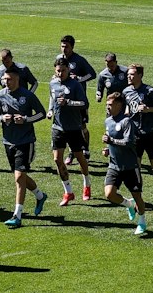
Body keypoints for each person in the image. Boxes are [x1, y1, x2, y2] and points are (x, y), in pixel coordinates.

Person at [0, 66, 49, 227]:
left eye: (9, 79)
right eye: (4, 79)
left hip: (25, 141)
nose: (6, 82)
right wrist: (1, 118)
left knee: (18, 177)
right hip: (8, 141)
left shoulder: (27, 95)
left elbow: (41, 113)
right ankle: (40, 195)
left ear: (17, 79)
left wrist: (25, 119)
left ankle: (17, 215)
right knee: (20, 177)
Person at [99, 93, 149, 237]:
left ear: (119, 105)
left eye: (110, 104)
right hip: (114, 166)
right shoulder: (108, 121)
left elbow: (128, 142)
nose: (107, 107)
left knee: (137, 196)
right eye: (107, 104)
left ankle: (142, 221)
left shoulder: (127, 122)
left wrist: (111, 141)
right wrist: (108, 149)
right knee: (109, 194)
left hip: (130, 167)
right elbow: (112, 141)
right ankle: (128, 204)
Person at [48, 57, 92, 204]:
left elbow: (85, 103)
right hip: (57, 127)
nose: (60, 73)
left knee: (80, 158)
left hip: (74, 128)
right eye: (58, 71)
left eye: (63, 70)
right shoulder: (53, 83)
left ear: (68, 70)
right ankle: (68, 192)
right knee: (57, 159)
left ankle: (87, 184)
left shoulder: (75, 85)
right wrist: (50, 110)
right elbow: (52, 97)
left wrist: (69, 102)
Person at [122, 63, 153, 193]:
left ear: (140, 75)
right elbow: (128, 105)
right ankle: (138, 194)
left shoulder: (150, 91)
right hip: (135, 134)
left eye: (132, 74)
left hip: (150, 133)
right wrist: (127, 112)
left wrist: (148, 109)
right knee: (136, 166)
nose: (129, 77)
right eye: (128, 74)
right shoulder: (126, 91)